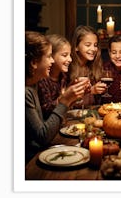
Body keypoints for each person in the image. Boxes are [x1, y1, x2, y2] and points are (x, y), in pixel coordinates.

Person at [25, 31, 89, 164]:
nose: (52, 61)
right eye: (49, 56)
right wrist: (64, 101)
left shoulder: (33, 86)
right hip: (30, 160)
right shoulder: (26, 93)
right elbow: (42, 136)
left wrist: (71, 96)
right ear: (34, 63)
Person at [37, 34, 91, 119]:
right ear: (51, 56)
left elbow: (67, 105)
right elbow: (46, 111)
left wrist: (79, 90)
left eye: (70, 55)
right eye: (65, 55)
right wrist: (65, 97)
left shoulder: (63, 76)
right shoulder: (42, 80)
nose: (70, 59)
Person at [69, 25, 107, 107]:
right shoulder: (68, 68)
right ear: (76, 47)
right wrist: (91, 91)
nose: (93, 49)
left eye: (95, 45)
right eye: (88, 45)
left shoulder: (94, 66)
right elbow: (67, 102)